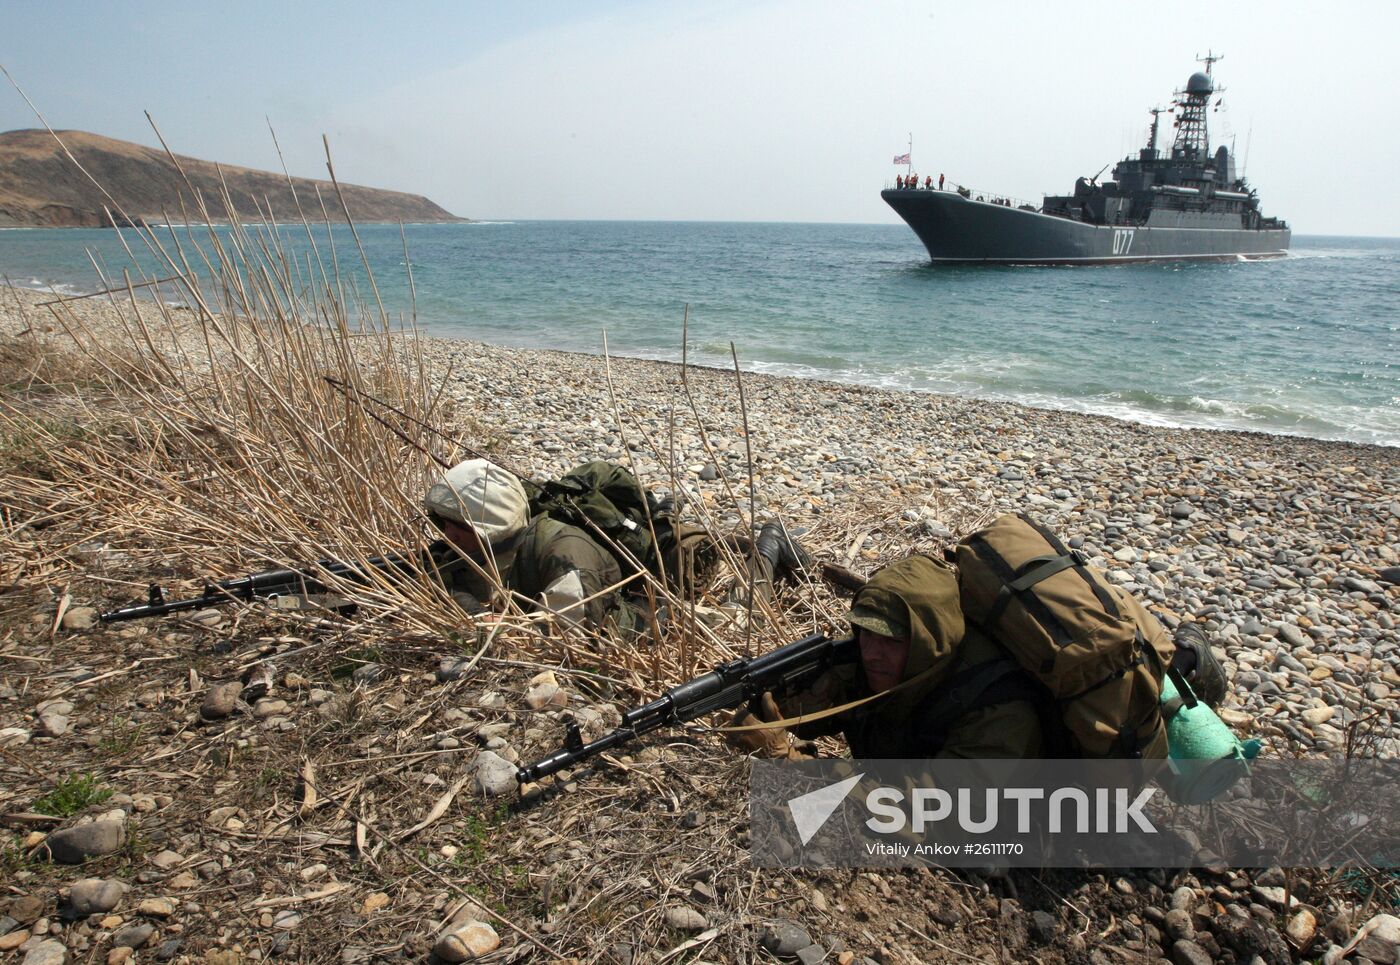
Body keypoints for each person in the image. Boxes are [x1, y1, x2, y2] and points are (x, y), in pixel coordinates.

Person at [727, 554, 1227, 760]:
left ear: (928, 640)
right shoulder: (881, 662)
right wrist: (773, 709)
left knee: (1168, 690)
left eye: (891, 640)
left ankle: (1189, 658)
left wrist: (785, 759)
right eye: (865, 634)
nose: (872, 651)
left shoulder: (996, 709)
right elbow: (820, 699)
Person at [424, 458, 810, 634]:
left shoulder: (564, 556)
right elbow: (444, 573)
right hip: (625, 569)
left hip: (649, 603)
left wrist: (486, 619)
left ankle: (770, 545)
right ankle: (665, 512)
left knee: (740, 623)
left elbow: (566, 633)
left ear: (492, 523)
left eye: (456, 525)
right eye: (441, 523)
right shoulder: (486, 541)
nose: (446, 534)